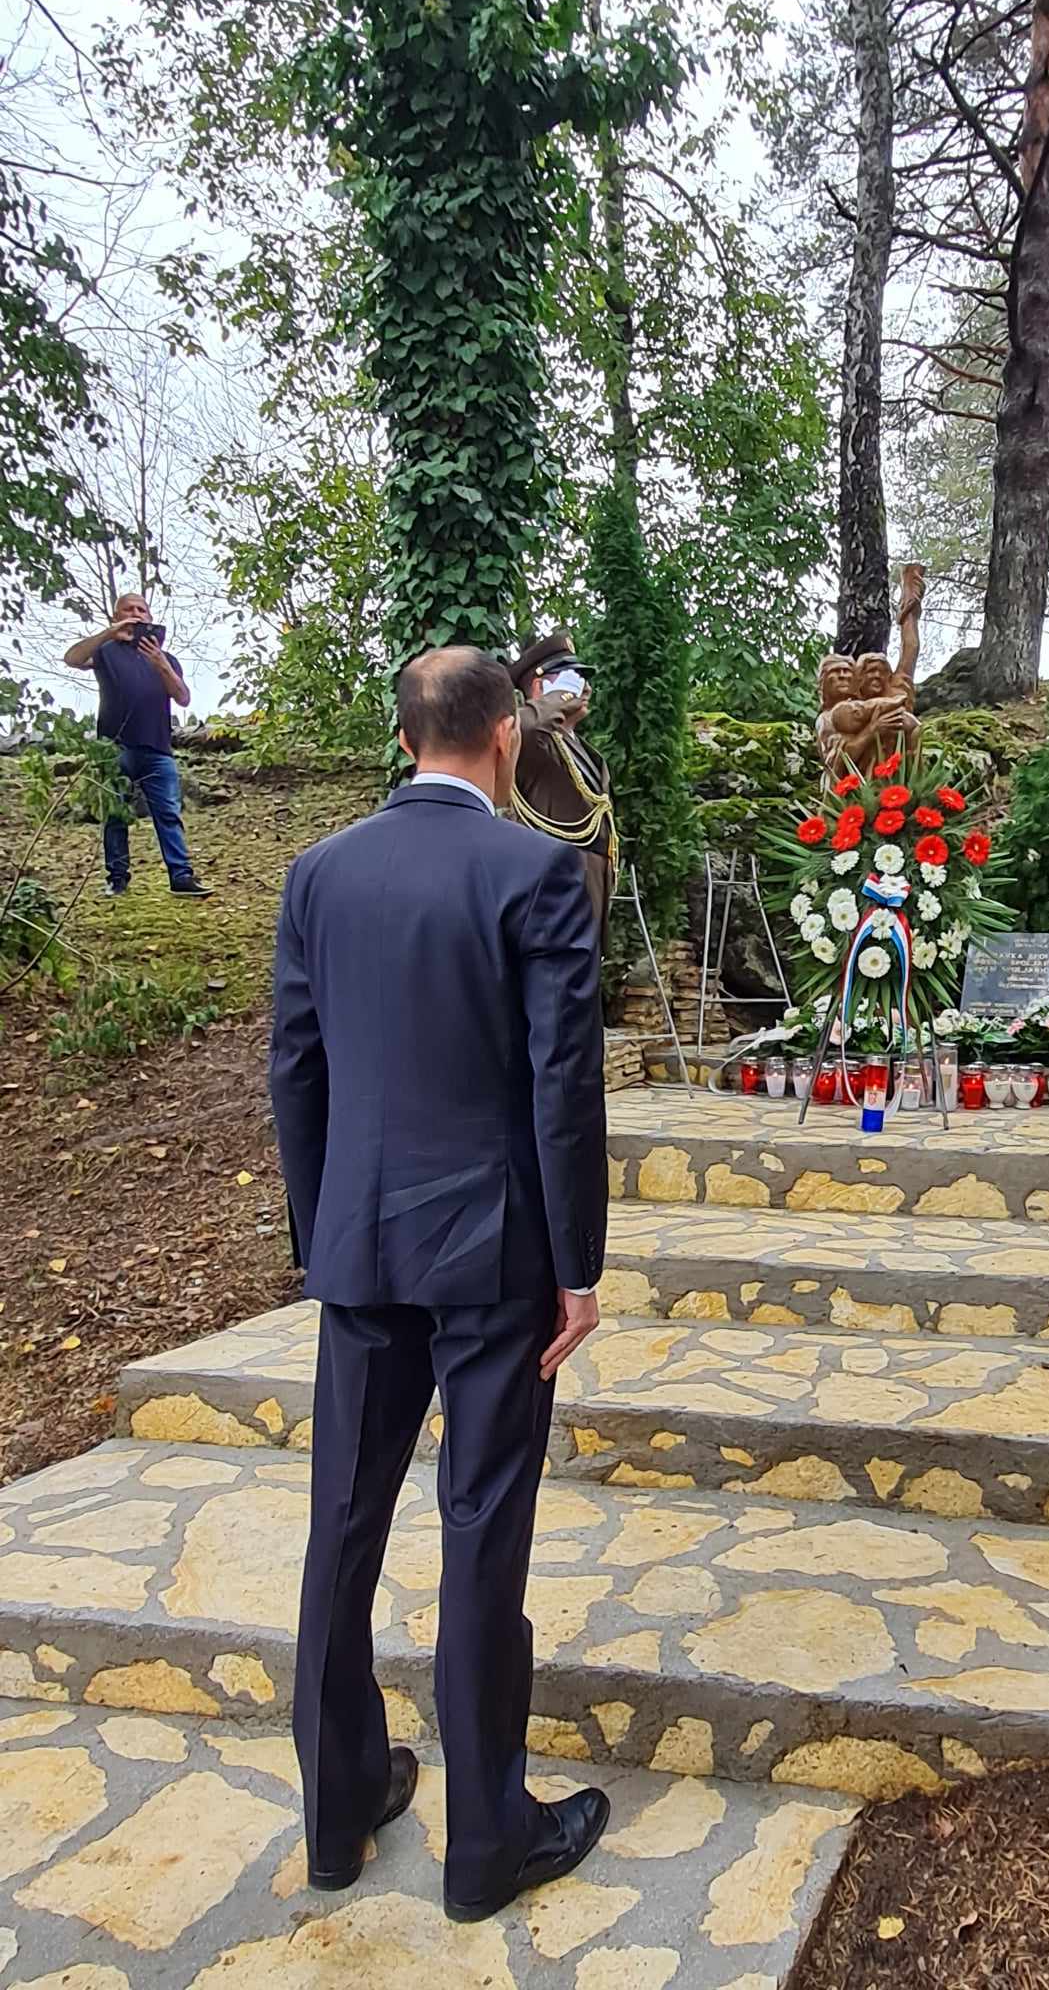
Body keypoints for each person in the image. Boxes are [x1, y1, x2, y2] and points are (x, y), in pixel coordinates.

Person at [268, 644, 610, 1921]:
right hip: (496, 1259)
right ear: (508, 735)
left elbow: (295, 1069)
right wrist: (576, 1267)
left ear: (406, 738)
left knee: (342, 1526)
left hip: (361, 1249)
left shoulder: (319, 873)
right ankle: (486, 1846)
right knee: (482, 1528)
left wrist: (324, 1236)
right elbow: (561, 1085)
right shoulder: (535, 870)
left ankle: (338, 1811)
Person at [63, 591, 212, 898]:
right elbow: (72, 659)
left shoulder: (166, 659)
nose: (136, 614)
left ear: (150, 617)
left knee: (168, 813)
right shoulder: (106, 651)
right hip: (115, 748)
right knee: (115, 814)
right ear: (116, 617)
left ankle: (181, 877)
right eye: (128, 609)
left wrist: (161, 663)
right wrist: (110, 633)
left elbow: (183, 697)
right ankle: (117, 879)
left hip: (157, 748)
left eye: (141, 610)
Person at [507, 630, 616, 936]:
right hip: (553, 888)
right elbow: (524, 728)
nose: (585, 688)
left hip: (589, 883)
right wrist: (559, 698)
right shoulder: (532, 741)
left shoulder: (577, 747)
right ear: (539, 686)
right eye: (572, 678)